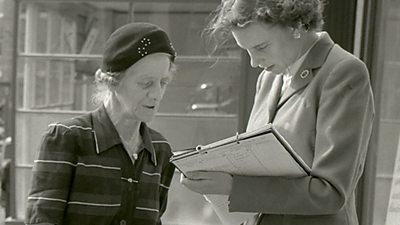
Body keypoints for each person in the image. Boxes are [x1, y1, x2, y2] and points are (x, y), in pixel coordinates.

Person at [181, 0, 375, 225]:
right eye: (246, 51)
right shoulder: (269, 78)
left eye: (261, 47)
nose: (254, 62)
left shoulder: (344, 72)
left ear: (297, 26)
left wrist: (233, 186)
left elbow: (330, 192)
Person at [25, 22, 177, 225]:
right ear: (112, 81)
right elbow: (42, 221)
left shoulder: (160, 151)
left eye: (163, 82)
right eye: (146, 83)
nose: (157, 94)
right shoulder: (67, 139)